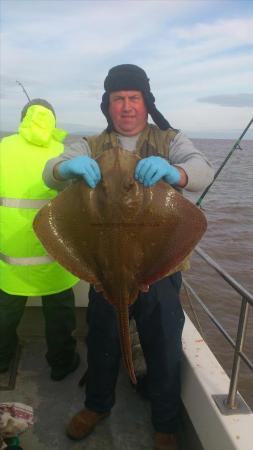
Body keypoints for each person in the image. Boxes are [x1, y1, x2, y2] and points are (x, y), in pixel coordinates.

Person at [43, 65, 214, 450]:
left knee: (163, 345)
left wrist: (178, 172)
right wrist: (62, 166)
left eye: (133, 98)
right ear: (107, 106)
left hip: (160, 266)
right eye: (118, 99)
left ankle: (166, 423)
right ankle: (97, 406)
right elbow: (50, 174)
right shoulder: (88, 143)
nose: (126, 106)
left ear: (146, 103)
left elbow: (203, 169)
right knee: (102, 340)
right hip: (103, 266)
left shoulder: (171, 140)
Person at [0, 99, 80, 381]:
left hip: (11, 253)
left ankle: (1, 359)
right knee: (59, 312)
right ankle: (61, 363)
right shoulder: (64, 153)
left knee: (5, 311)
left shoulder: (3, 148)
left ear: (23, 119)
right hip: (55, 251)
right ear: (53, 121)